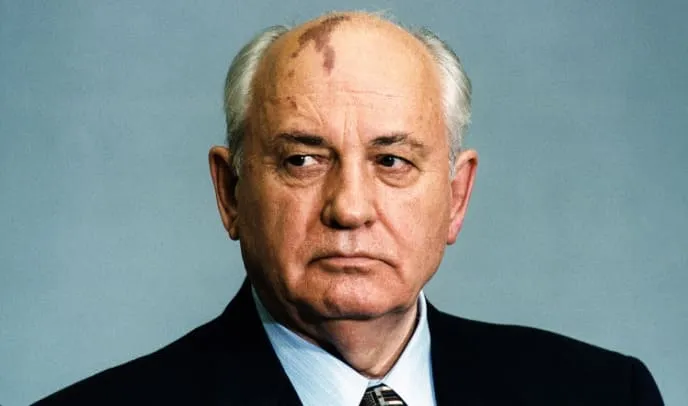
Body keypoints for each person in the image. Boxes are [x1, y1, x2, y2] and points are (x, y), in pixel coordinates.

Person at [34, 11, 663, 406]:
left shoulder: (605, 394)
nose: (350, 208)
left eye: (392, 160)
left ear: (456, 196)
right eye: (303, 160)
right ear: (230, 193)